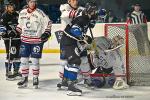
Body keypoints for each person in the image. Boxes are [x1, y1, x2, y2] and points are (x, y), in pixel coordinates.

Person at [58, 3, 98, 96]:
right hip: (69, 40)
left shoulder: (86, 18)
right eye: (94, 11)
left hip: (70, 40)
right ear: (89, 11)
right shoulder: (83, 19)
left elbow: (91, 25)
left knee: (71, 61)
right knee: (75, 60)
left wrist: (95, 18)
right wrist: (84, 37)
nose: (95, 13)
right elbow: (74, 30)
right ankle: (71, 87)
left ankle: (65, 82)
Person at [16, 0, 52, 89]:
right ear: (27, 3)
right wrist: (15, 31)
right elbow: (20, 25)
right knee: (24, 60)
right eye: (31, 2)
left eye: (34, 2)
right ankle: (24, 78)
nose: (33, 4)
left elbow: (49, 23)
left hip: (36, 41)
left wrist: (47, 33)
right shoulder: (22, 12)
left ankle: (35, 78)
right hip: (25, 40)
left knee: (35, 61)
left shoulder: (40, 12)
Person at [57, 0, 86, 88]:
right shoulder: (64, 7)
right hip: (66, 39)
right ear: (69, 1)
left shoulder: (81, 9)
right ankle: (64, 80)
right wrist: (83, 13)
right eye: (73, 0)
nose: (75, 2)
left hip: (78, 38)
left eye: (76, 0)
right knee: (64, 61)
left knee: (83, 59)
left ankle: (84, 78)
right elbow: (65, 15)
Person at [0, 1, 21, 80]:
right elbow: (2, 26)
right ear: (6, 7)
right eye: (9, 7)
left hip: (18, 38)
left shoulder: (17, 15)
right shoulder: (4, 16)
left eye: (12, 6)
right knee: (11, 55)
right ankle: (8, 72)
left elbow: (21, 24)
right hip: (9, 39)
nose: (11, 8)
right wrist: (4, 33)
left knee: (18, 56)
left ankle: (16, 71)